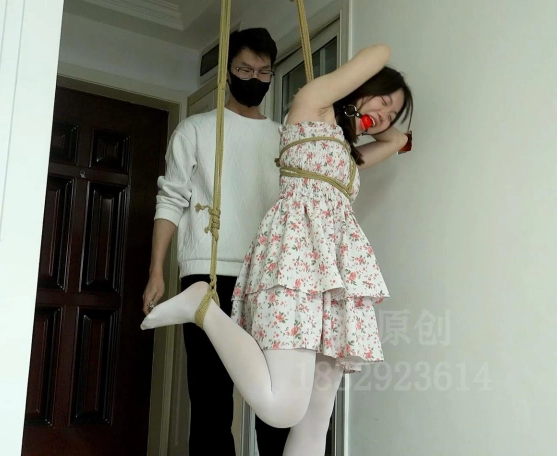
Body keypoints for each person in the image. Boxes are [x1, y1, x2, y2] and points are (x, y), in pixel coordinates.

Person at [141, 42, 414, 455]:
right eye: (384, 100)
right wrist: (361, 102)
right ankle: (203, 307)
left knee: (315, 420)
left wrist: (374, 119)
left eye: (393, 112)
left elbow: (396, 139)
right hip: (295, 262)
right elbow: (380, 51)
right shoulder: (312, 106)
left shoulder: (344, 148)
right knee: (281, 410)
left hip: (333, 277)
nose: (385, 115)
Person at [141, 28, 292, 456]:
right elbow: (170, 199)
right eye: (245, 69)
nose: (254, 79)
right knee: (210, 400)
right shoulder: (195, 129)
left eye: (263, 72)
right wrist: (156, 271)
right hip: (207, 274)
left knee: (276, 402)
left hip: (270, 279)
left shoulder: (284, 138)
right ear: (227, 71)